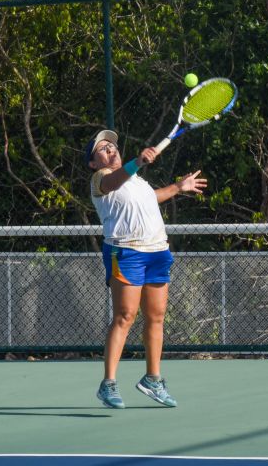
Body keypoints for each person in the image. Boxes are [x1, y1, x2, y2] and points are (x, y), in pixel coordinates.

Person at [85, 129, 207, 409]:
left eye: (112, 146)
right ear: (93, 163)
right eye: (102, 149)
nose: (110, 150)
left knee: (156, 316)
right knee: (125, 316)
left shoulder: (137, 182)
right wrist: (136, 162)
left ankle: (153, 379)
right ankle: (108, 384)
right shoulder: (101, 179)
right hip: (125, 252)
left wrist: (178, 187)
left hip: (157, 251)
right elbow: (116, 180)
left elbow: (152, 197)